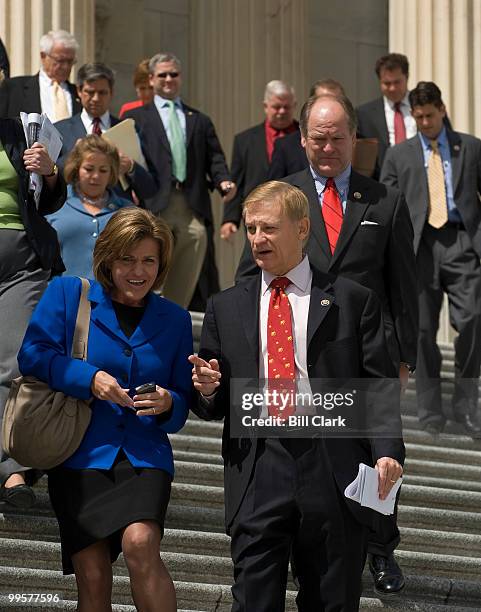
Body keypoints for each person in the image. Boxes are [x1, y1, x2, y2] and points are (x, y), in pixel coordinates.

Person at [190, 181, 405, 611]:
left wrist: (387, 450)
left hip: (332, 464)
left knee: (331, 600)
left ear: (302, 228)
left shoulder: (352, 300)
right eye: (251, 228)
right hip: (258, 463)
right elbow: (211, 395)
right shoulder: (226, 306)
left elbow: (377, 387)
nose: (256, 239)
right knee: (253, 600)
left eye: (268, 228)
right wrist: (209, 391)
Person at [235, 93, 418, 595]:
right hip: (294, 348)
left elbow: (403, 281)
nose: (328, 146)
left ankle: (381, 547)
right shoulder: (282, 195)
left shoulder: (383, 200)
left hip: (363, 348)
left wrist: (405, 355)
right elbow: (252, 273)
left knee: (376, 449)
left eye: (338, 137)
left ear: (354, 140)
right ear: (303, 139)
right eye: (319, 137)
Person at [17, 207, 192, 611]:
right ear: (108, 257)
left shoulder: (177, 319)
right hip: (78, 453)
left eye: (149, 260)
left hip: (144, 454)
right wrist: (88, 378)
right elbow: (33, 355)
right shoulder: (67, 293)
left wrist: (169, 402)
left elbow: (181, 406)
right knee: (93, 576)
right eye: (127, 259)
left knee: (141, 541)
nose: (138, 271)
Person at [381, 81, 481, 438]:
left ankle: (467, 403)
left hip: (461, 242)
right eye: (418, 117)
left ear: (442, 109)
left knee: (473, 318)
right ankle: (429, 411)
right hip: (416, 248)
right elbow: (386, 205)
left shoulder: (469, 147)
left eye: (429, 115)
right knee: (421, 330)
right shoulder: (398, 154)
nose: (424, 122)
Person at [124, 52, 236, 309]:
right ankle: (142, 311)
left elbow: (215, 158)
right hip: (154, 203)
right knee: (149, 258)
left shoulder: (199, 119)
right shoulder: (138, 119)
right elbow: (129, 158)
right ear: (151, 79)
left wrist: (224, 182)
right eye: (162, 75)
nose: (168, 79)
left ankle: (173, 312)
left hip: (190, 202)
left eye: (173, 74)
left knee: (197, 240)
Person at [0, 117, 66, 508]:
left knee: (13, 363)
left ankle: (12, 469)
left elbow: (50, 198)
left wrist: (51, 172)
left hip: (22, 261)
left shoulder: (16, 130)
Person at [55, 62, 158, 204]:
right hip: (73, 213)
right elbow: (50, 179)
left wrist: (131, 167)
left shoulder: (129, 130)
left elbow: (150, 189)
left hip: (118, 215)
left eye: (102, 93)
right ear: (79, 91)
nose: (96, 98)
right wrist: (72, 159)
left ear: (112, 93)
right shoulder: (61, 130)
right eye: (90, 92)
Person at [220, 80, 297, 242]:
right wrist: (229, 219)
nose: (282, 111)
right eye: (277, 107)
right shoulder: (245, 140)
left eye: (287, 107)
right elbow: (237, 182)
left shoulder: (306, 138)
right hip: (257, 217)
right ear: (265, 106)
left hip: (294, 214)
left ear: (294, 105)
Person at [46, 135, 133, 278]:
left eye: (103, 170)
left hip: (112, 298)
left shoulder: (128, 211)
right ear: (76, 169)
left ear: (112, 173)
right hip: (62, 296)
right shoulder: (53, 204)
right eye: (89, 169)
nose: (96, 176)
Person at [267, 78, 345, 181]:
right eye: (319, 139)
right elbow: (275, 189)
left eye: (335, 101)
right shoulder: (286, 146)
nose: (329, 108)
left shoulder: (359, 141)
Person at [355, 53, 416, 179]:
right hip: (382, 186)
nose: (392, 88)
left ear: (407, 77)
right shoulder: (364, 114)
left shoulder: (425, 108)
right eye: (387, 83)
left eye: (397, 82)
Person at [0, 30, 81, 121]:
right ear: (43, 56)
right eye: (60, 60)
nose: (66, 66)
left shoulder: (80, 94)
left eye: (70, 61)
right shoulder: (12, 88)